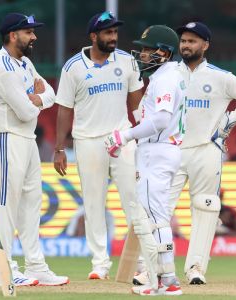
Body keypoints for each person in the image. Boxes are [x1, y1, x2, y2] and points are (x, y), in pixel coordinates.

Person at [167, 21, 236, 285]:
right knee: (161, 209)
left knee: (206, 207)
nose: (186, 45)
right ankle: (152, 266)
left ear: (205, 45)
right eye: (183, 40)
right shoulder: (168, 73)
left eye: (192, 41)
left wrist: (228, 123)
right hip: (172, 150)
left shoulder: (221, 77)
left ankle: (196, 267)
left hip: (207, 150)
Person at [54, 11, 144, 280]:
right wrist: (59, 148)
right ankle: (100, 263)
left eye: (115, 33)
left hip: (122, 137)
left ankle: (138, 261)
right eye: (108, 33)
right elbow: (64, 109)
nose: (113, 37)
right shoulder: (73, 67)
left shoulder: (127, 61)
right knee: (93, 204)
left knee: (133, 200)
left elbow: (136, 102)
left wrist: (143, 134)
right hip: (87, 141)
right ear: (94, 36)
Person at [0, 13, 69, 287]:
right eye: (28, 32)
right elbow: (23, 111)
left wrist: (39, 97)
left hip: (26, 139)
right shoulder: (4, 68)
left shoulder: (24, 63)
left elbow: (51, 94)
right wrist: (36, 98)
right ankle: (4, 270)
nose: (33, 37)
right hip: (7, 137)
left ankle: (36, 265)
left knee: (32, 202)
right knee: (7, 203)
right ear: (13, 35)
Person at [105, 25, 186, 296]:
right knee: (155, 216)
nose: (143, 55)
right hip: (161, 149)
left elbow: (161, 119)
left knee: (155, 218)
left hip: (159, 150)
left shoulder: (166, 78)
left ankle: (168, 281)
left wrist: (125, 135)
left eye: (148, 50)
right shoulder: (170, 74)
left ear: (164, 52)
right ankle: (163, 279)